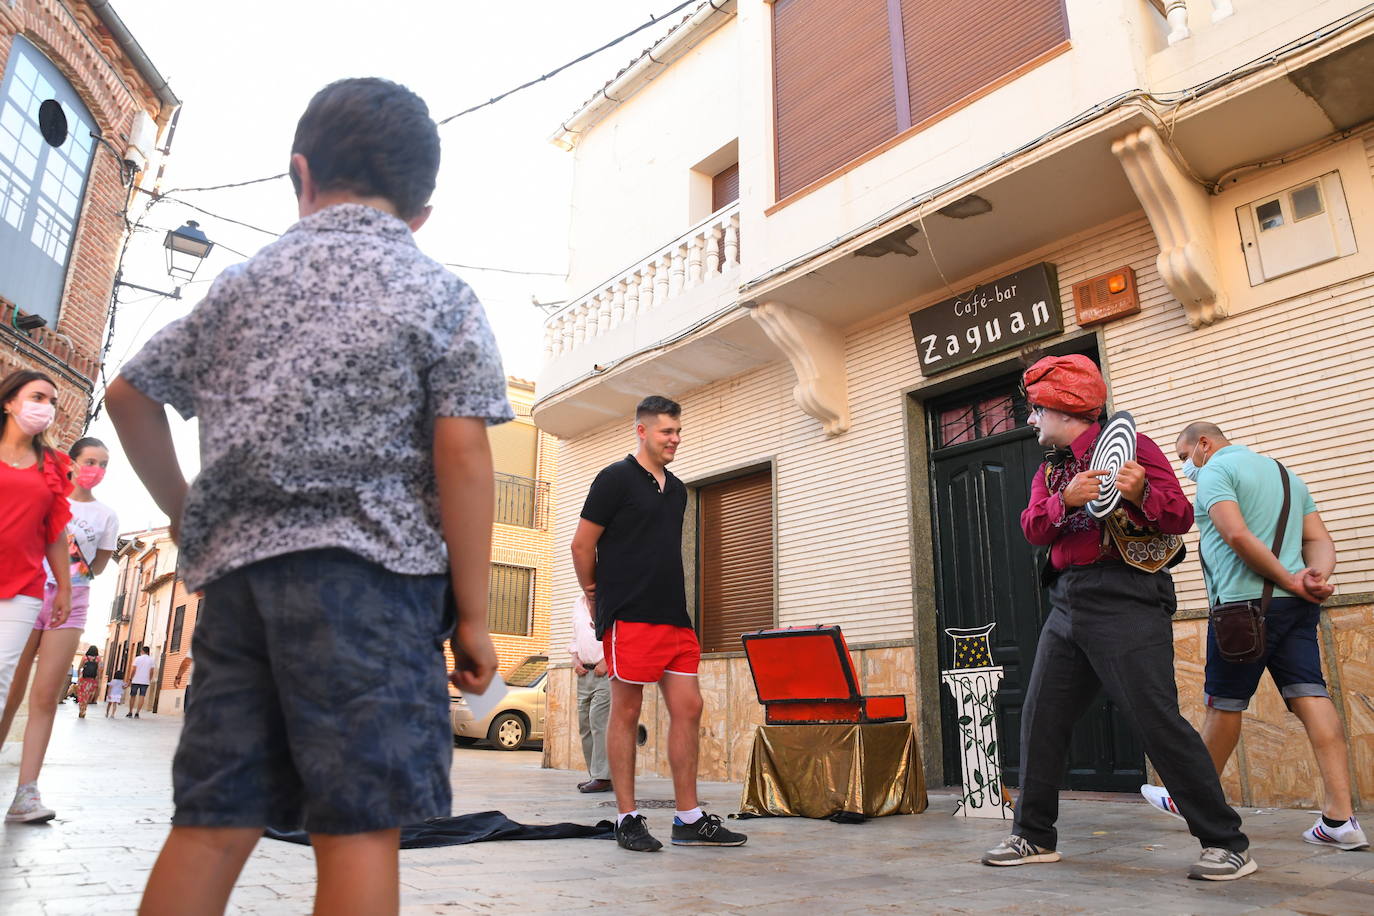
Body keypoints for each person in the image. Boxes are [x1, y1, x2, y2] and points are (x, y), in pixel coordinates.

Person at [106, 77, 510, 916]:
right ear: (422, 212)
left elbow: (128, 395)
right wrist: (472, 616)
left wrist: (190, 521)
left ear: (300, 175)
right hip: (374, 589)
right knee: (359, 829)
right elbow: (463, 455)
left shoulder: (238, 289)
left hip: (241, 589)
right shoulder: (440, 294)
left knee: (214, 821)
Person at [980, 355, 1255, 881]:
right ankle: (1033, 835)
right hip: (1067, 601)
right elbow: (1033, 528)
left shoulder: (1135, 447)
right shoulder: (1051, 471)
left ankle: (1227, 842)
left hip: (1126, 595)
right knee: (1041, 717)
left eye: (1036, 410)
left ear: (1062, 408)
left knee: (1156, 719)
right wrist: (1065, 500)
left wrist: (1139, 492)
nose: (1031, 420)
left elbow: (1177, 514)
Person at [1139, 423, 1366, 851]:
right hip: (1296, 609)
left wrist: (1287, 579)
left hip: (1242, 608)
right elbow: (1319, 539)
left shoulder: (1214, 473)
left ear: (1204, 444)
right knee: (1311, 696)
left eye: (1184, 457)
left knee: (1223, 706)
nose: (1186, 467)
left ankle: (1186, 796)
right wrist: (1314, 578)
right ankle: (1340, 818)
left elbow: (1236, 535)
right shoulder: (1285, 475)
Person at [571, 395, 746, 852]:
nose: (675, 439)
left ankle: (688, 818)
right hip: (630, 614)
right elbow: (581, 545)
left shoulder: (680, 489)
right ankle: (626, 817)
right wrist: (595, 598)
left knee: (689, 708)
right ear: (642, 431)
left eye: (678, 431)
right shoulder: (614, 479)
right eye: (667, 431)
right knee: (625, 712)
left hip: (674, 616)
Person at [1, 437, 118, 758]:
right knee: (9, 687)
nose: (97, 470)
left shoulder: (105, 516)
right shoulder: (44, 498)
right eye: (91, 462)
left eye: (104, 464)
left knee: (45, 695)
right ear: (73, 462)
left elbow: (99, 564)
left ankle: (28, 786)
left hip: (69, 601)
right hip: (27, 593)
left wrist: (71, 578)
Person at [0, 371, 72, 718]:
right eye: (38, 397)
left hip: (24, 588)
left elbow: (55, 532)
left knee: (1, 677)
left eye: (52, 402)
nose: (46, 408)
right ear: (9, 402)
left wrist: (65, 589)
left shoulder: (53, 464)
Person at [567, 593, 611, 793]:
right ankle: (595, 774)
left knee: (598, 721)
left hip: (605, 673)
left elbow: (619, 636)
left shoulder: (608, 600)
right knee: (585, 725)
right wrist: (575, 660)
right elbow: (575, 637)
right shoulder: (578, 602)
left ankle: (604, 777)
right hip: (583, 672)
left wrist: (607, 661)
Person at [126, 646, 156, 718]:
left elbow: (134, 669)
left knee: (133, 696)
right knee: (142, 696)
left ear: (142, 651)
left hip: (135, 680)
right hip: (145, 681)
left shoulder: (137, 658)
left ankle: (130, 712)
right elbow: (152, 671)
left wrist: (130, 679)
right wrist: (149, 679)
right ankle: (137, 713)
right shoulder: (151, 660)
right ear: (148, 652)